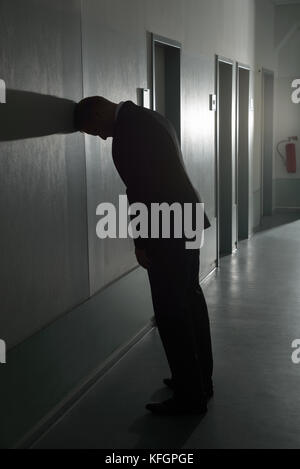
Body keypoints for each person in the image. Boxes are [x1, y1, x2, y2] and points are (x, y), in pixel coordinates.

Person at [74, 96, 214, 416]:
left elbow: (141, 191)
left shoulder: (128, 133)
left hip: (166, 230)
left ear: (98, 111)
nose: (101, 136)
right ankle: (200, 380)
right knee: (190, 300)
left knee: (171, 313)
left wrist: (142, 242)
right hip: (186, 221)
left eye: (94, 130)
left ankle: (190, 397)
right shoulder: (153, 117)